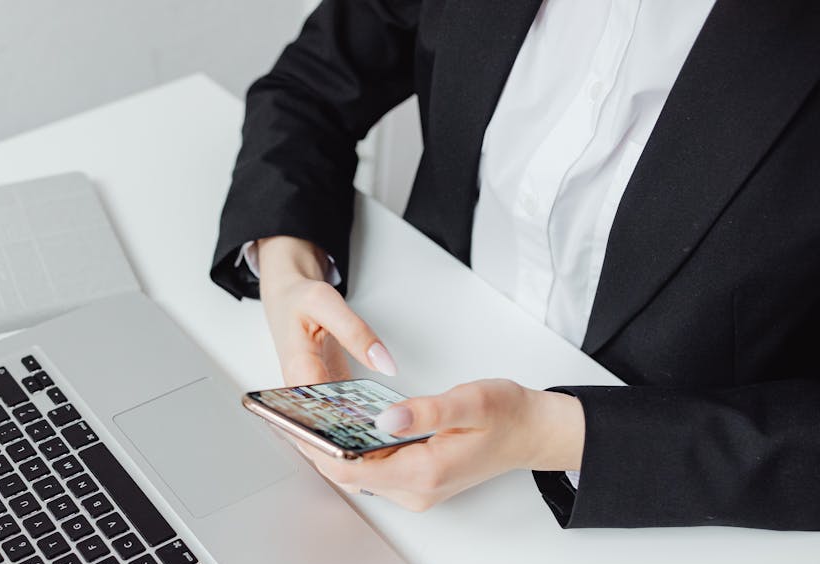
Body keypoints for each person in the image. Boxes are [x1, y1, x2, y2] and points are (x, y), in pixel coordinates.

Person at [210, 0, 820, 530]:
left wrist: (553, 434)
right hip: (415, 356)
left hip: (674, 496)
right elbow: (313, 83)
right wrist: (289, 262)